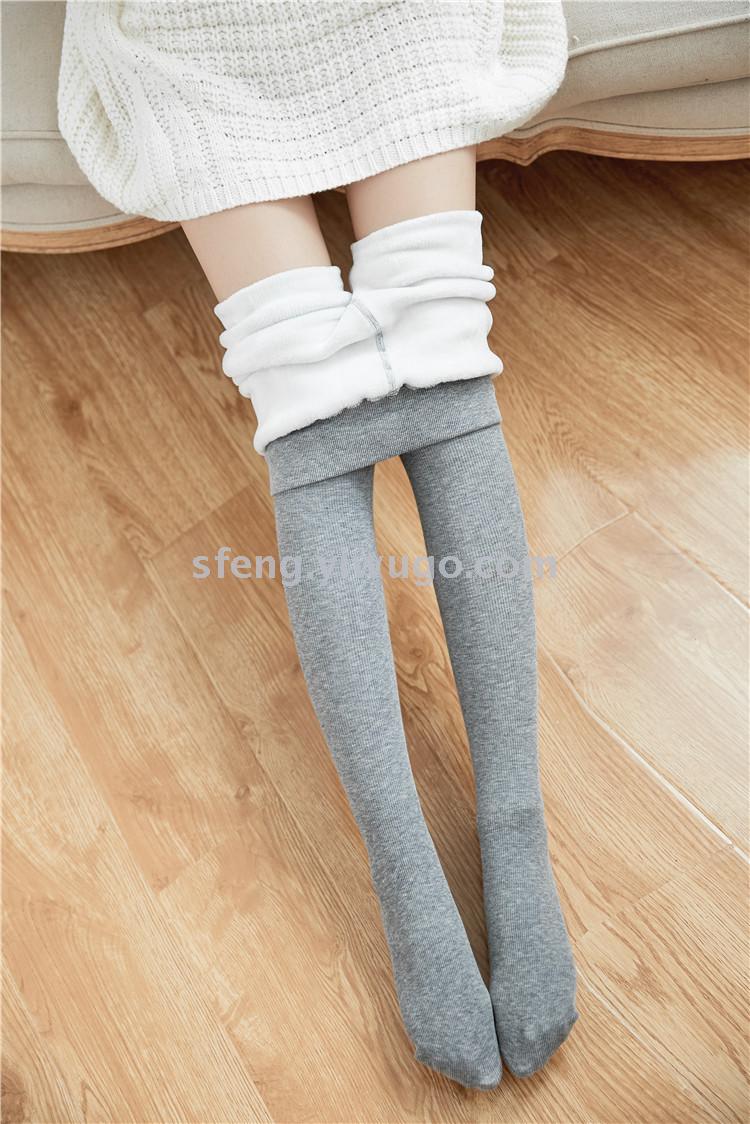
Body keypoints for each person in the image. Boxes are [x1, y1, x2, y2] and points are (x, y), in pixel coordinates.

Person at [58, 0, 578, 1090]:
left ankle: (513, 824)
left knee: (443, 351)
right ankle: (404, 866)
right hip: (188, 27)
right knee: (305, 392)